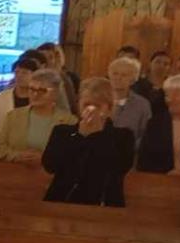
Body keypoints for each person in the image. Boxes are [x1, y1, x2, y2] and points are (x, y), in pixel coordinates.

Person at [42, 76, 136, 207]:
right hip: (63, 201)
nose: (91, 110)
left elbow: (119, 167)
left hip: (104, 205)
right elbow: (50, 165)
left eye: (97, 106)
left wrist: (96, 135)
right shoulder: (62, 132)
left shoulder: (123, 136)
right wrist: (80, 136)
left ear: (109, 108)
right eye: (86, 104)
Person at [0, 69, 76, 163]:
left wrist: (47, 158)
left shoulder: (69, 121)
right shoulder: (13, 116)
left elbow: (74, 155)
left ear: (55, 94)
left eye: (42, 90)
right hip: (15, 170)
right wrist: (17, 155)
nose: (35, 94)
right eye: (32, 89)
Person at [0, 52, 43, 145]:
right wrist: (0, 140)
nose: (19, 76)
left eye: (24, 73)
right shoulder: (2, 97)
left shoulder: (40, 98)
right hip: (3, 144)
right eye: (17, 72)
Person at [108, 54, 154, 144]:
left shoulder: (142, 105)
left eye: (124, 75)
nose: (118, 78)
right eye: (115, 73)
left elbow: (145, 135)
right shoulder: (98, 100)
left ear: (133, 80)